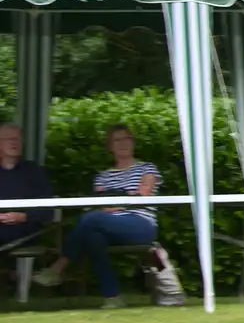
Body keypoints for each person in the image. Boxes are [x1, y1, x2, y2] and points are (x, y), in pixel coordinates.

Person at [32, 124, 163, 309]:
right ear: (109, 146)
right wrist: (125, 198)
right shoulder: (102, 177)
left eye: (127, 138)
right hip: (109, 224)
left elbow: (143, 194)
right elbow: (102, 205)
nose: (123, 143)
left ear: (133, 142)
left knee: (92, 219)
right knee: (94, 237)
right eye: (117, 140)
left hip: (140, 223)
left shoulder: (147, 168)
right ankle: (113, 297)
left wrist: (116, 203)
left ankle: (58, 268)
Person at [0, 122, 55, 250]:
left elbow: (48, 210)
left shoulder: (34, 171)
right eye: (8, 138)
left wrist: (24, 216)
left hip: (25, 230)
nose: (14, 142)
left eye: (18, 138)